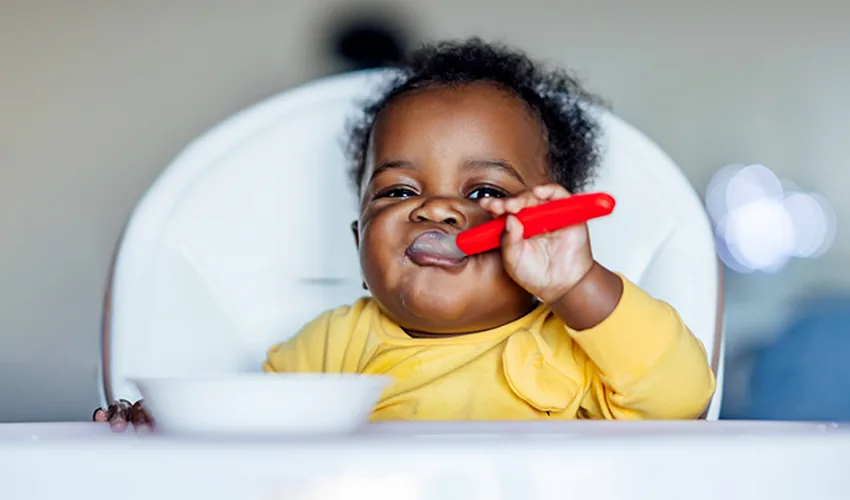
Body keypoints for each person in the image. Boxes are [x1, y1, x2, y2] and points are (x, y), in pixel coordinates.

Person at [95, 37, 715, 428]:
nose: (438, 212)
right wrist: (164, 428)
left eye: (484, 193)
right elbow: (261, 438)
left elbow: (681, 398)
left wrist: (578, 285)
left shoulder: (574, 345)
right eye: (398, 192)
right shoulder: (335, 344)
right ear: (358, 235)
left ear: (547, 229)